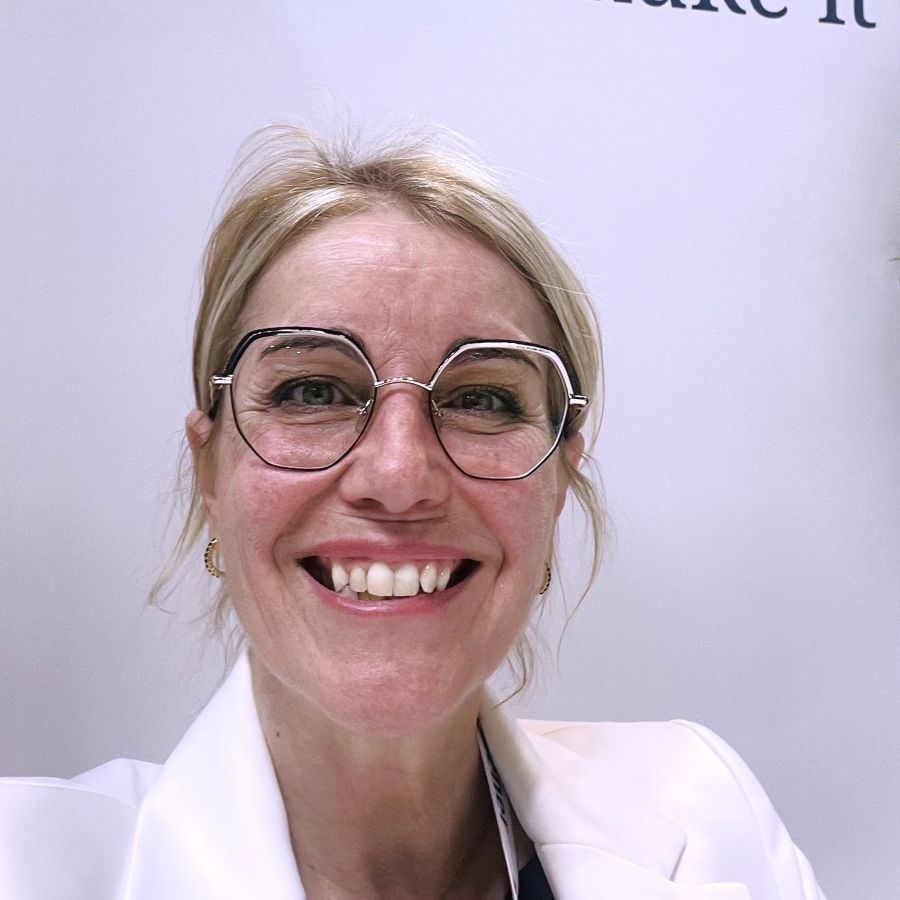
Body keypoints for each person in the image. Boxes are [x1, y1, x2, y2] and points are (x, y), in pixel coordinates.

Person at [0, 126, 826, 899]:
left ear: (558, 484)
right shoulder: (28, 860)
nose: (398, 475)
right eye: (312, 390)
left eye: (482, 399)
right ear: (210, 472)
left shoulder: (705, 816)